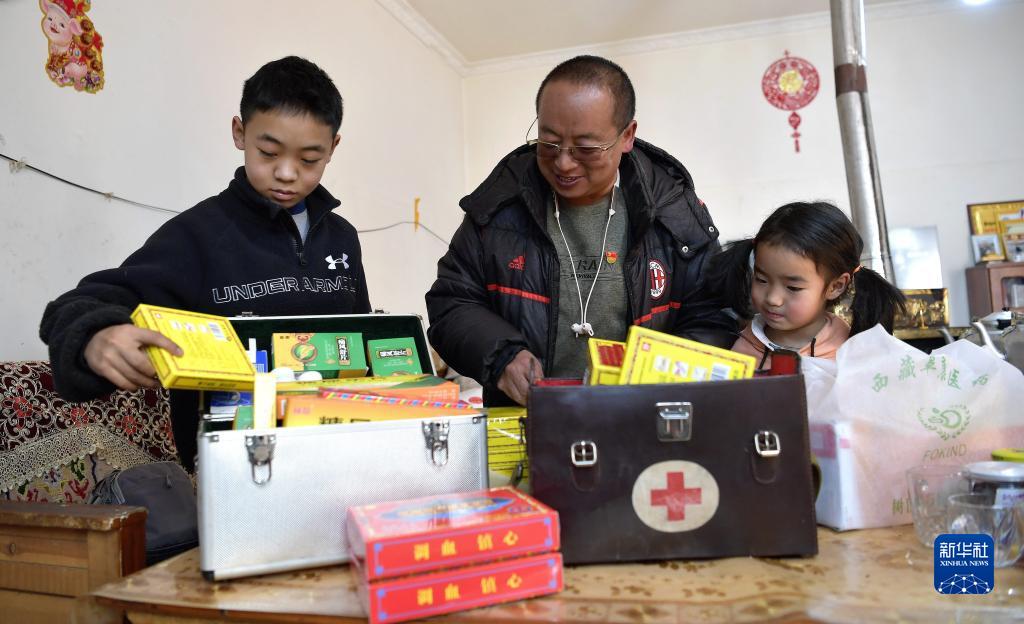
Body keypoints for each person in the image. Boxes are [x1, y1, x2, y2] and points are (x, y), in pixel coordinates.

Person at [40, 56, 371, 470]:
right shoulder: (199, 234)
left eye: (309, 160)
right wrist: (96, 335)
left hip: (339, 451)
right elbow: (82, 303)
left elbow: (364, 340)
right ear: (240, 133)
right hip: (234, 466)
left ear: (332, 148)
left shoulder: (342, 238)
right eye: (269, 152)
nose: (287, 173)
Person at [426, 55, 735, 406]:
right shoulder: (496, 210)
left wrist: (659, 377)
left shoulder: (675, 214)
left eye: (586, 149)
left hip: (645, 417)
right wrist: (502, 357)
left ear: (627, 136)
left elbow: (714, 315)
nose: (564, 163)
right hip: (529, 419)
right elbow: (452, 302)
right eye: (549, 142)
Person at [710, 201, 906, 370]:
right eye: (761, 279)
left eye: (793, 288)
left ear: (835, 286)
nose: (772, 299)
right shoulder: (737, 348)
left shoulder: (851, 355)